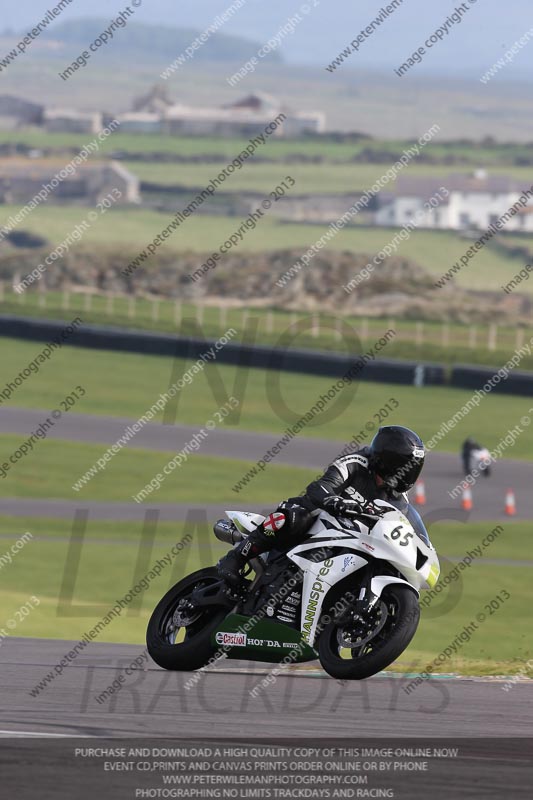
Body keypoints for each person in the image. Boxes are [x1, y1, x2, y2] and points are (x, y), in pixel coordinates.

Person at [217, 425, 427, 587]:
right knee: (296, 516)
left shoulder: (399, 498)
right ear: (386, 460)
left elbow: (401, 526)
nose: (408, 474)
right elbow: (320, 487)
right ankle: (236, 558)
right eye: (405, 467)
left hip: (349, 540)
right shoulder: (355, 462)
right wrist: (333, 501)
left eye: (412, 468)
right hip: (317, 520)